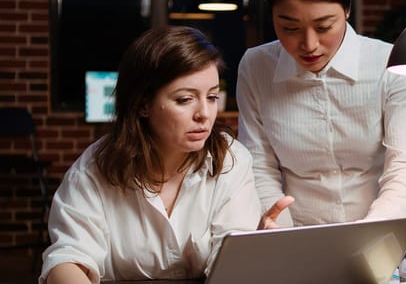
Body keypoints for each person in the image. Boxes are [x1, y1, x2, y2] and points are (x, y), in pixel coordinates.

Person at [40, 26, 293, 284]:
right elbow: (68, 259)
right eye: (185, 99)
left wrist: (251, 253)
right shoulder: (93, 170)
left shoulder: (230, 160)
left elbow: (230, 264)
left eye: (212, 96)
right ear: (142, 104)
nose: (204, 114)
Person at [236, 0, 406, 227]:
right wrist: (283, 237)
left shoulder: (391, 64)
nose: (309, 44)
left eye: (324, 26)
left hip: (375, 233)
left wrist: (371, 235)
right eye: (289, 28)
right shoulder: (256, 67)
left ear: (347, 6)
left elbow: (405, 165)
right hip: (293, 235)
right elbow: (258, 165)